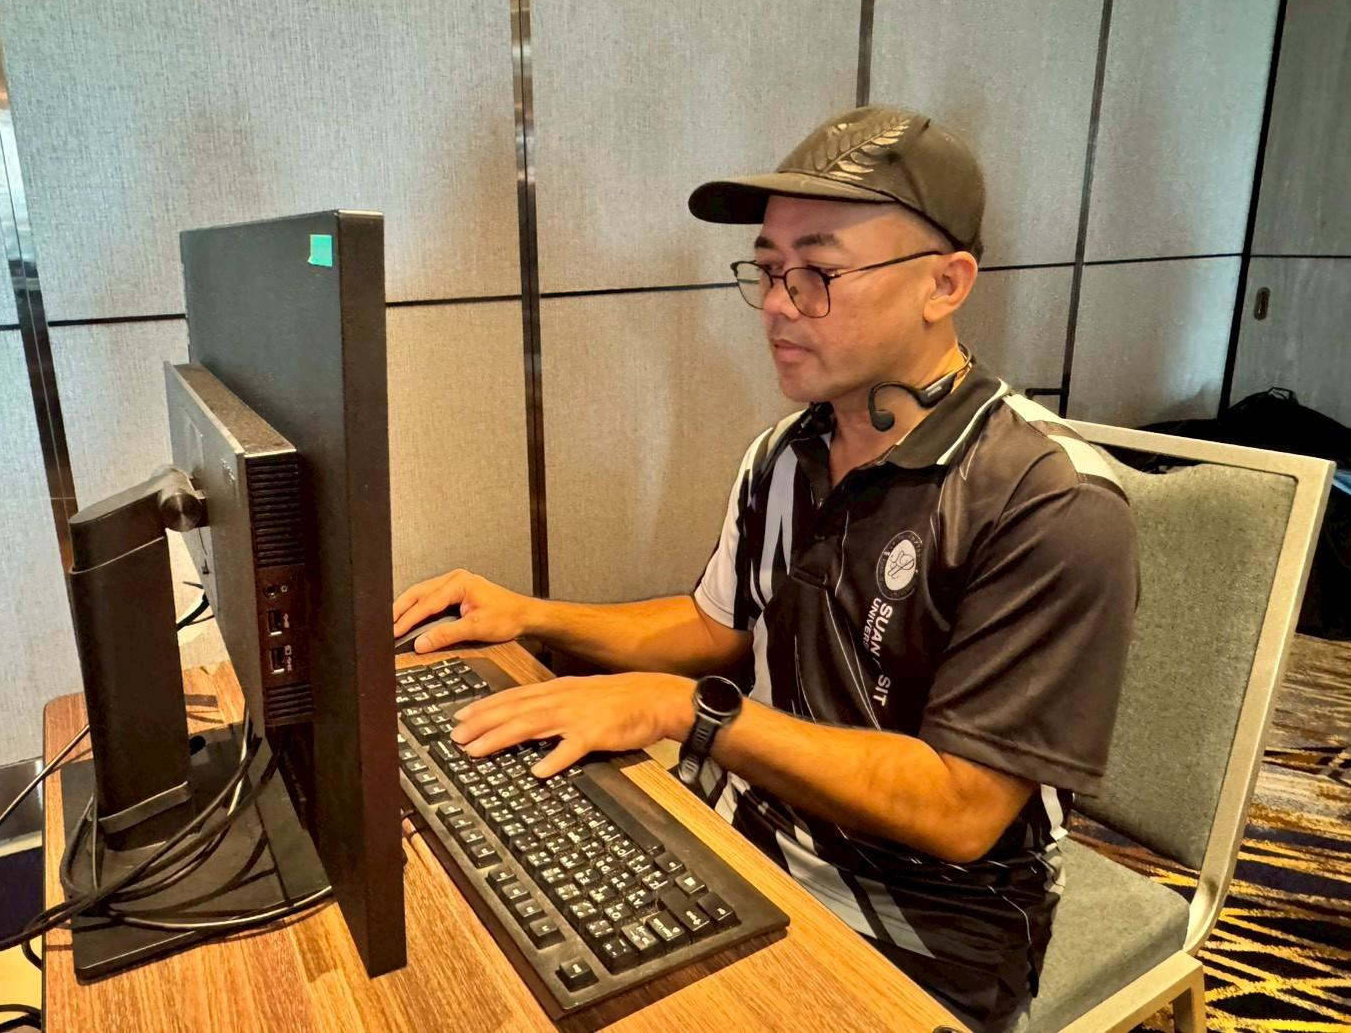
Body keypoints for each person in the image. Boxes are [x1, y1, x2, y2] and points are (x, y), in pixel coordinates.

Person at [392, 105, 1139, 1032]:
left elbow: (961, 807)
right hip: (735, 836)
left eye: (818, 272)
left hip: (921, 928)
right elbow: (717, 628)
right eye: (769, 270)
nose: (780, 304)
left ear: (944, 284)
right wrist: (530, 615)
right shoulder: (786, 451)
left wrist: (687, 712)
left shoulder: (1047, 500)